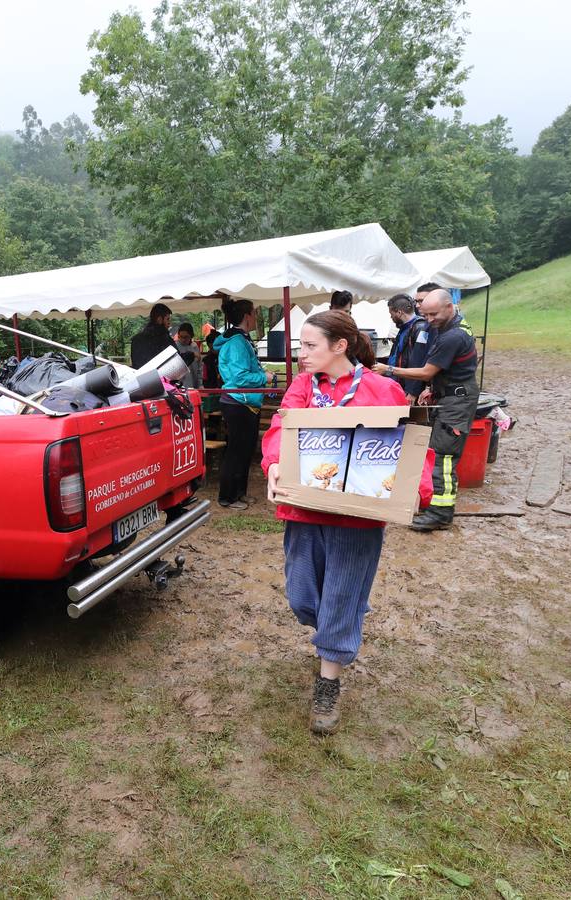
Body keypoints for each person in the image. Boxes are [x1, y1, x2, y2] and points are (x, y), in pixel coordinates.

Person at [261, 311, 431, 734]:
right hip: (305, 510)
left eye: (310, 346)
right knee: (303, 596)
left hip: (358, 519)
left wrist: (416, 488)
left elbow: (411, 445)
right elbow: (281, 429)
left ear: (340, 346)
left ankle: (328, 679)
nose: (301, 355)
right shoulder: (303, 388)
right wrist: (274, 463)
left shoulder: (383, 389)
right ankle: (338, 627)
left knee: (339, 596)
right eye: (300, 346)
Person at [375, 290, 480, 531]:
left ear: (449, 306)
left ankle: (440, 514)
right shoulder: (452, 325)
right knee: (439, 452)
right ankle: (438, 508)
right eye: (426, 313)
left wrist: (389, 370)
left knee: (443, 456)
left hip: (457, 401)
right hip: (452, 393)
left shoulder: (452, 336)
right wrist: (434, 388)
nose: (429, 319)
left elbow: (426, 371)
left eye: (434, 314)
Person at [213, 298, 267, 509]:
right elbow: (240, 377)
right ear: (247, 316)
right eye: (254, 313)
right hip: (237, 403)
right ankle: (227, 497)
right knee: (236, 451)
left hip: (246, 402)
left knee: (245, 451)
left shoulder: (242, 340)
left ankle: (240, 493)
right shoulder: (236, 343)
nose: (255, 318)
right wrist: (265, 377)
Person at [386, 293, 431, 402]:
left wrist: (412, 392)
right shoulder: (404, 328)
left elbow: (420, 362)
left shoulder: (421, 328)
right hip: (399, 383)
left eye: (391, 314)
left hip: (408, 388)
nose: (391, 317)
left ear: (399, 312)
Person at [130, 302, 174, 367]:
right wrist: (191, 355)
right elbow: (176, 361)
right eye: (167, 319)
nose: (169, 323)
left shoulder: (136, 339)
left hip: (142, 376)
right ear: (159, 319)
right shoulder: (164, 339)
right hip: (160, 376)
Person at [175, 322, 201, 389]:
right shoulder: (175, 347)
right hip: (179, 387)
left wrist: (200, 384)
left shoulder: (195, 347)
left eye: (186, 337)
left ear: (191, 336)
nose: (183, 340)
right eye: (180, 337)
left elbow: (199, 368)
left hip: (193, 385)